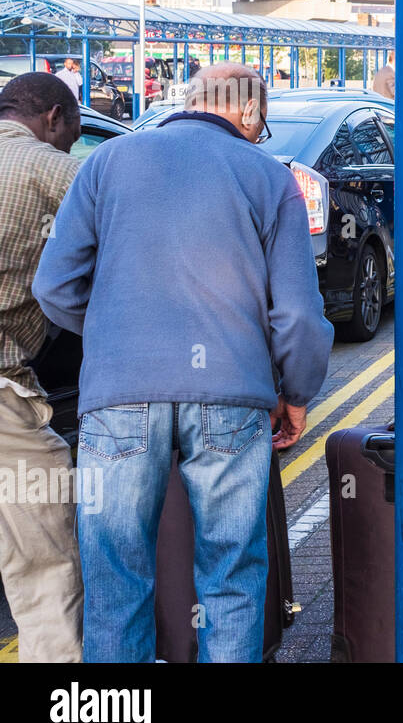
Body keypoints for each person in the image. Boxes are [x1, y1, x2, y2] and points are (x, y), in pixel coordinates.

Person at [34, 63, 334, 663]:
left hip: (119, 399)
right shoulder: (270, 178)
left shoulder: (107, 163)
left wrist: (121, 333)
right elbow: (298, 316)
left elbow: (54, 287)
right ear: (249, 113)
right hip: (232, 397)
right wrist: (296, 392)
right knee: (231, 575)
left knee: (116, 582)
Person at [0, 73, 84, 663]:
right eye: (72, 135)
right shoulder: (49, 168)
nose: (70, 145)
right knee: (45, 555)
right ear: (53, 118)